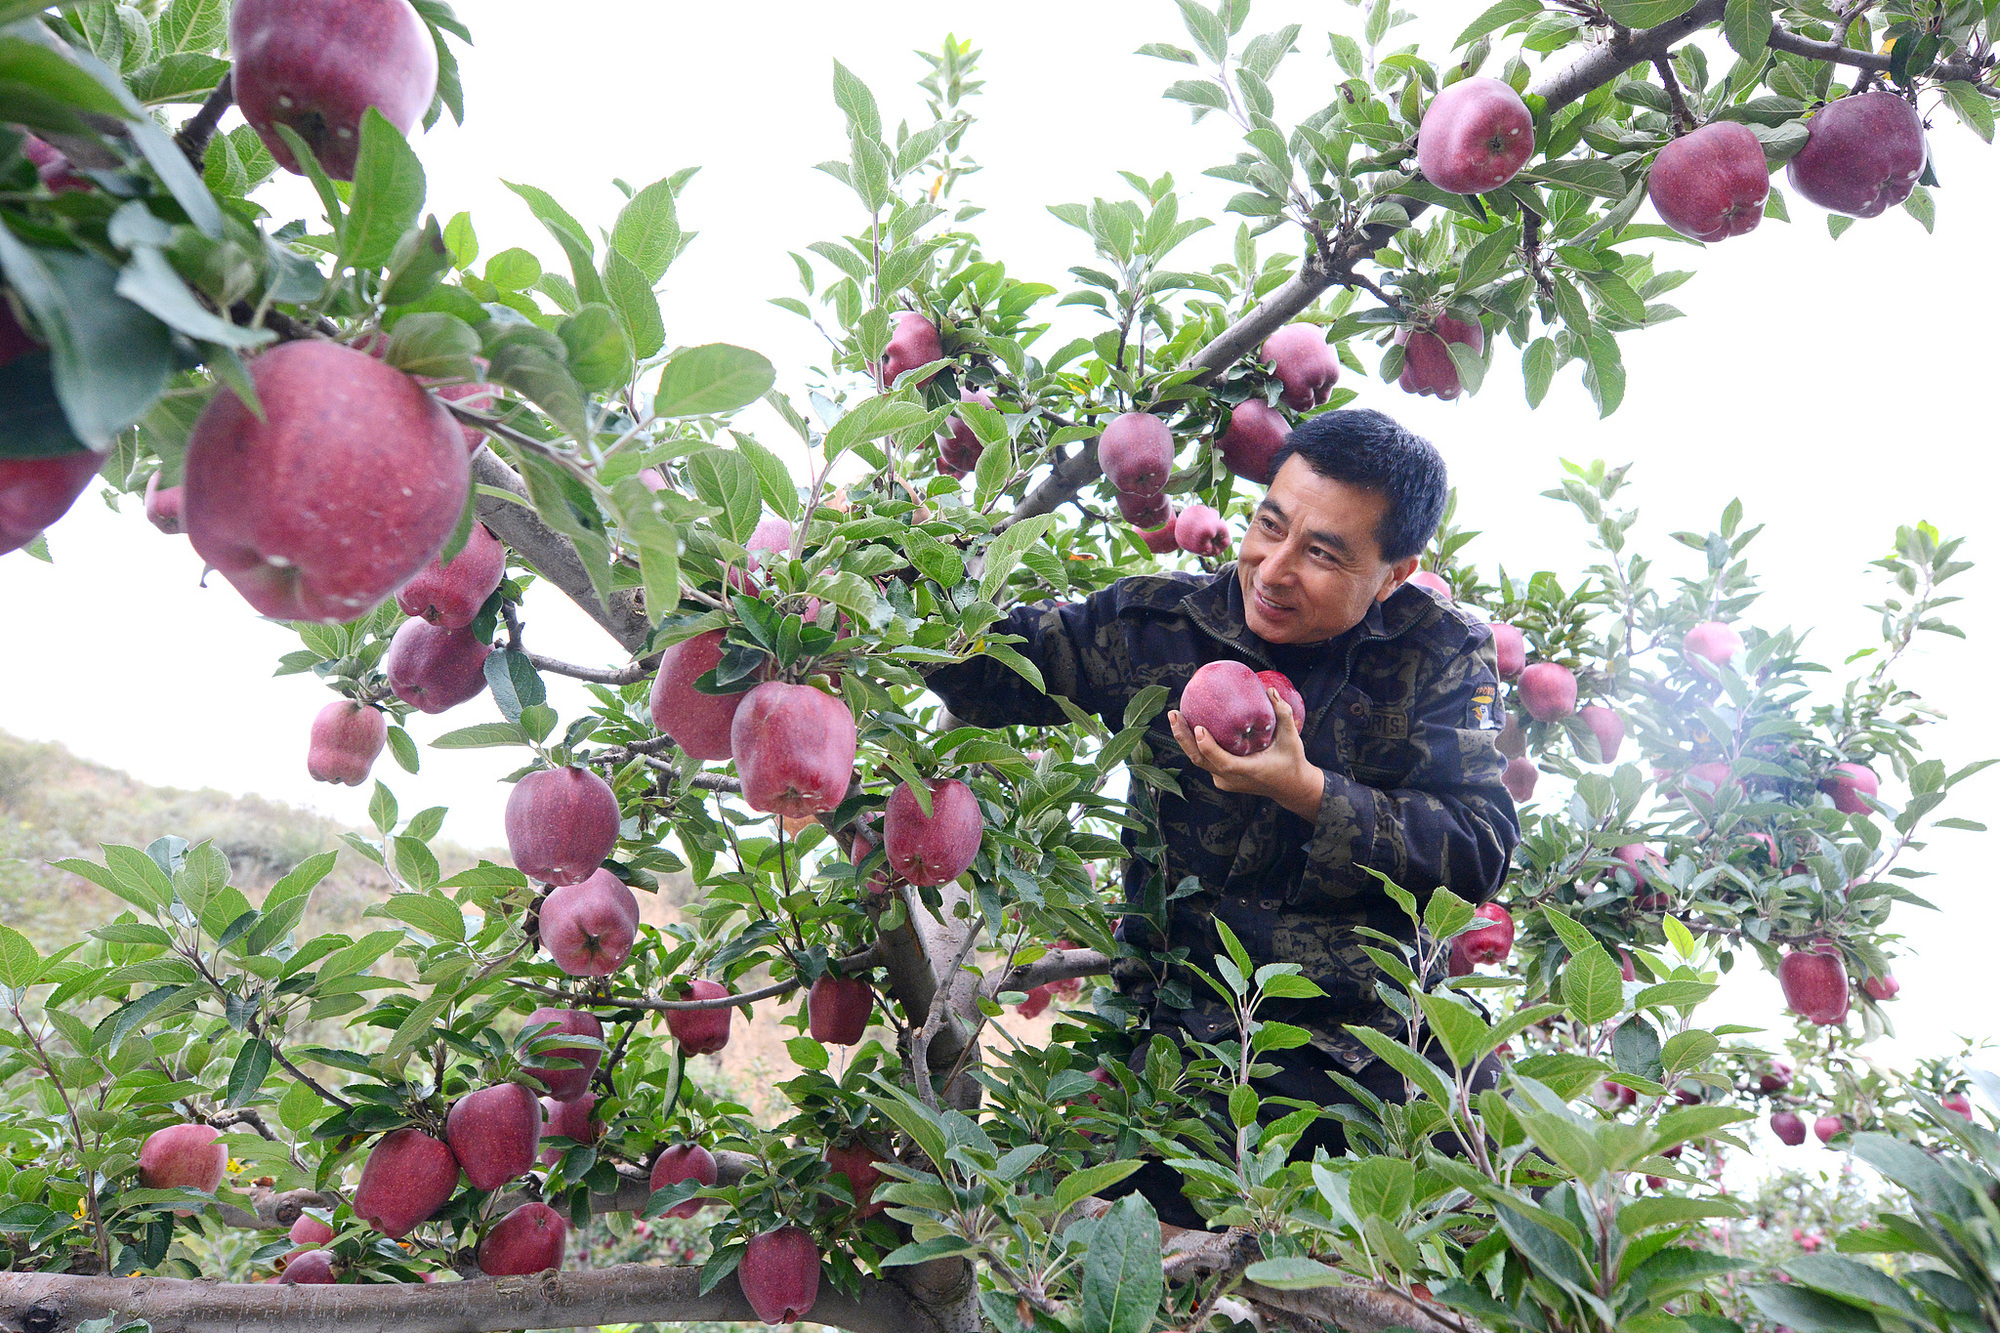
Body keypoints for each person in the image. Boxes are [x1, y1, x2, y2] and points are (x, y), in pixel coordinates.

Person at [924, 407, 1519, 1228]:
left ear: (1393, 572)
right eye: (1269, 525)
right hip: (1187, 1068)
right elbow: (994, 666)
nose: (1272, 569)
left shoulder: (1440, 652)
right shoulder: (1161, 627)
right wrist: (895, 567)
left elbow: (1479, 843)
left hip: (1372, 1074)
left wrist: (1306, 790)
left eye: (1321, 553)